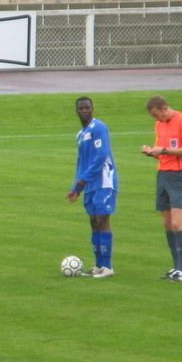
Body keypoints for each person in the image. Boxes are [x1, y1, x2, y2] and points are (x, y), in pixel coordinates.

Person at [141, 95, 182, 282]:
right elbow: (162, 153)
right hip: (163, 175)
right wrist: (152, 152)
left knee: (177, 224)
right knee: (167, 224)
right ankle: (175, 268)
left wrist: (164, 150)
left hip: (179, 177)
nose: (156, 120)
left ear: (165, 108)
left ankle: (181, 270)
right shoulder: (159, 125)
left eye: (157, 115)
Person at [65, 96, 118, 278]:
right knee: (93, 222)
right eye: (81, 108)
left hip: (104, 181)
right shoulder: (81, 134)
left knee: (103, 221)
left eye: (87, 107)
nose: (84, 110)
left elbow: (101, 155)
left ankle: (108, 267)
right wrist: (76, 188)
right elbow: (82, 162)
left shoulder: (99, 127)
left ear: (92, 108)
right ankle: (98, 265)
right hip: (89, 185)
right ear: (77, 111)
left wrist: (83, 180)